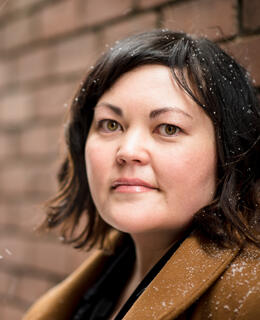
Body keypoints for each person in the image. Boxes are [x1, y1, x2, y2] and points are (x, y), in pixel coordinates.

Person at [23, 30, 259, 320]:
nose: (128, 151)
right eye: (110, 124)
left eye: (168, 128)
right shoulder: (92, 290)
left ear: (229, 152)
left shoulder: (248, 303)